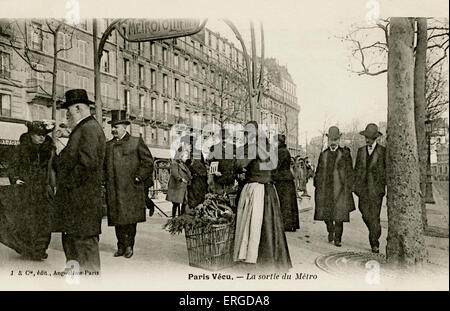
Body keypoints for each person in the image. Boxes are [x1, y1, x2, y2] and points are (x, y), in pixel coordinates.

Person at [54, 89, 106, 273]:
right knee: (72, 239)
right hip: (77, 199)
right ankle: (74, 276)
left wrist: (67, 183)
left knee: (84, 242)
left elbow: (87, 164)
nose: (67, 116)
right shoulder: (84, 129)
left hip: (81, 199)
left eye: (68, 112)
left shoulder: (89, 128)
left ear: (77, 108)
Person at [233, 121, 292, 271]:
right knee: (269, 226)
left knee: (253, 225)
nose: (246, 136)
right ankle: (271, 261)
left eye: (247, 133)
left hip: (256, 188)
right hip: (269, 190)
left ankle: (253, 258)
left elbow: (240, 165)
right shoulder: (269, 147)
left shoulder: (253, 147)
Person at [104, 110, 154, 259]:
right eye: (112, 126)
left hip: (131, 188)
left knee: (130, 220)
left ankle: (129, 246)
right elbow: (103, 166)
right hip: (114, 189)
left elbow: (148, 162)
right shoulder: (108, 145)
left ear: (125, 127)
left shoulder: (136, 141)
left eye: (116, 126)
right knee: (117, 219)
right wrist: (103, 181)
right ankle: (120, 246)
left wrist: (139, 177)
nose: (113, 129)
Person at [3, 121, 56, 260]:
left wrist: (53, 185)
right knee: (28, 221)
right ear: (30, 135)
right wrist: (15, 179)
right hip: (26, 191)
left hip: (44, 191)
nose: (41, 138)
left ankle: (40, 249)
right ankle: (29, 248)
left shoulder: (49, 150)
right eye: (38, 135)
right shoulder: (20, 149)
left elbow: (55, 168)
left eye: (44, 135)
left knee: (45, 221)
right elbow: (12, 166)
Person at [313, 126, 355, 247]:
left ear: (339, 140)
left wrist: (348, 187)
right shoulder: (323, 154)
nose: (333, 142)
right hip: (326, 190)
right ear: (328, 139)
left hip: (340, 189)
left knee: (339, 216)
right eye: (331, 139)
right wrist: (317, 184)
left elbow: (350, 172)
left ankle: (338, 238)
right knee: (326, 215)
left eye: (335, 139)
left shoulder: (345, 154)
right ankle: (330, 230)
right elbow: (319, 171)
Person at [354, 123, 386, 253]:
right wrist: (355, 186)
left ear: (375, 138)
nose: (367, 139)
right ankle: (376, 230)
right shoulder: (361, 151)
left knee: (374, 216)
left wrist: (381, 185)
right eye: (366, 137)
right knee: (364, 213)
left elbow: (386, 170)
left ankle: (374, 243)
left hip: (376, 191)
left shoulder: (382, 151)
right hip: (362, 190)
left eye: (370, 137)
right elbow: (356, 170)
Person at [273, 134, 300, 232]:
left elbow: (276, 166)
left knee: (285, 203)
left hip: (282, 180)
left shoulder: (280, 152)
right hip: (287, 179)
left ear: (278, 142)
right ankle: (290, 224)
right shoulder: (285, 151)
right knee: (289, 203)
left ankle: (286, 224)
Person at [166, 148, 192, 217]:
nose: (186, 158)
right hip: (177, 187)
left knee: (184, 202)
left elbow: (188, 173)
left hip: (182, 187)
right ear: (181, 156)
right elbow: (175, 173)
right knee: (176, 203)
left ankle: (181, 216)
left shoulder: (183, 164)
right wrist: (180, 179)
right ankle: (174, 217)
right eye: (185, 156)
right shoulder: (175, 163)